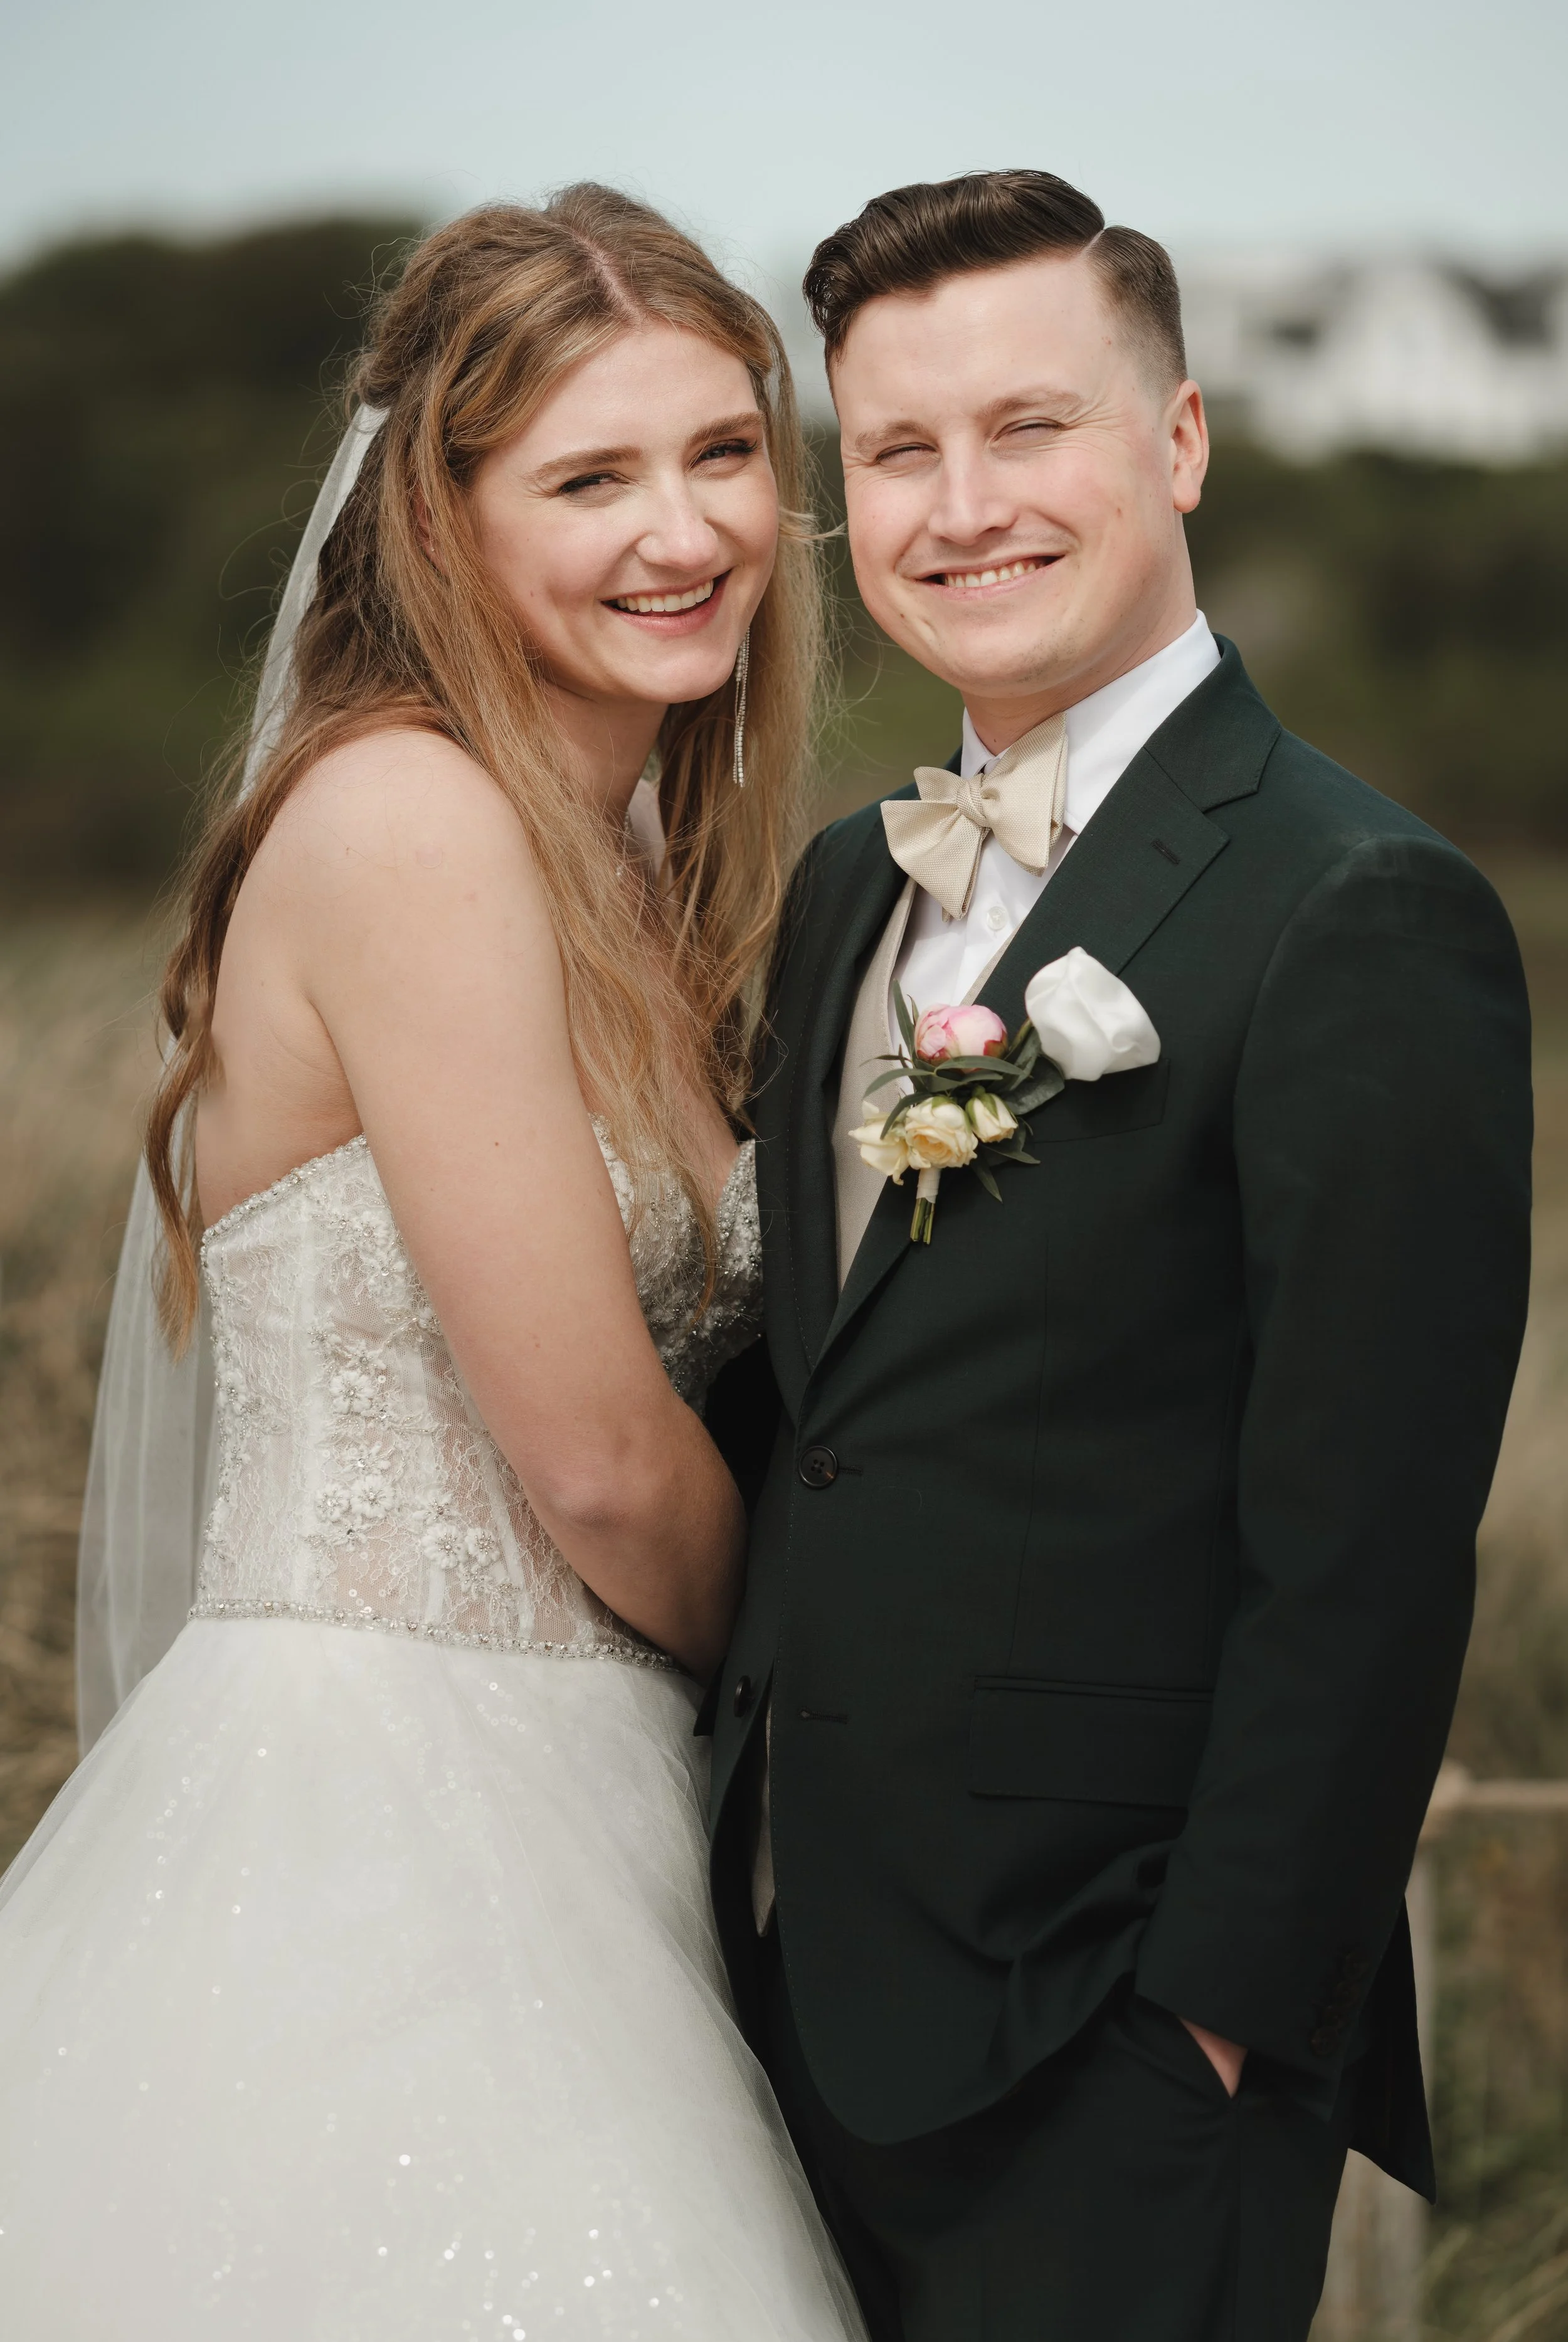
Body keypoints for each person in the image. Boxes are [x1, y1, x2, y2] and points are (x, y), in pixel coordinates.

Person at [0, 187, 866, 2341]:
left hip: (590, 1806)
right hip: (384, 1820)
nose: (684, 531)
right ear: (439, 512)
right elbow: (588, 1457)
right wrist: (868, 1676)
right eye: (589, 476)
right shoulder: (414, 823)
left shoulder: (643, 867)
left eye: (724, 451)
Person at [703, 171, 1534, 2342]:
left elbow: (1362, 1545)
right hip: (776, 1989)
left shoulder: (1359, 904)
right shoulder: (835, 896)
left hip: (1109, 2041)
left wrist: (1210, 2039)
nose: (959, 505)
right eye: (896, 451)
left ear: (1174, 441)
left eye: (1029, 429)